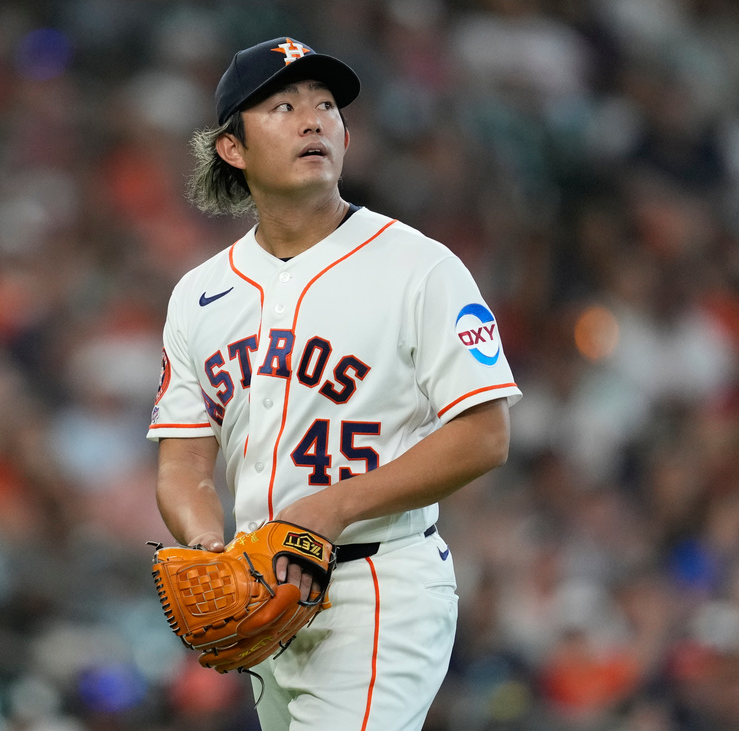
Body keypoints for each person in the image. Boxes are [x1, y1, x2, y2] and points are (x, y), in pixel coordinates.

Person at [148, 36, 521, 730]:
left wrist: (332, 508)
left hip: (379, 583)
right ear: (232, 148)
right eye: (284, 106)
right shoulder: (199, 295)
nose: (314, 119)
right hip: (263, 590)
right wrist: (206, 547)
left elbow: (484, 434)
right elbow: (184, 457)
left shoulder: (419, 267)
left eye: (326, 105)